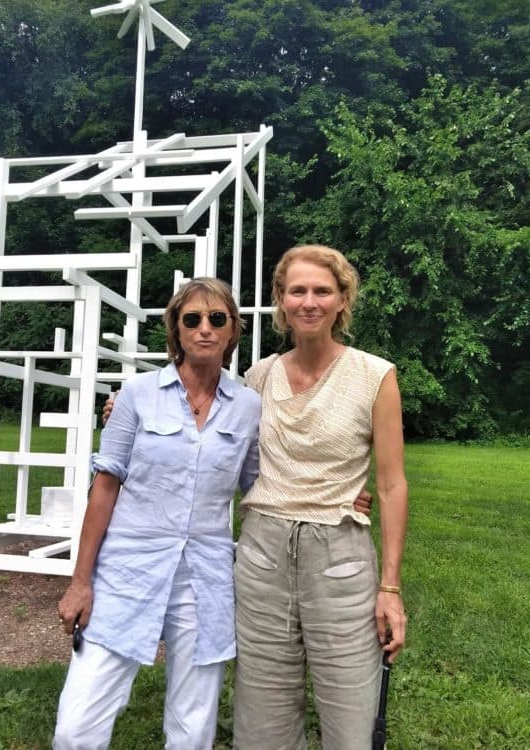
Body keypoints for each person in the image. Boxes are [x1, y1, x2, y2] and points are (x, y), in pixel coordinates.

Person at [53, 277, 262, 750]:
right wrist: (80, 581)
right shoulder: (136, 395)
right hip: (127, 569)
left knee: (193, 730)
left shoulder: (249, 407)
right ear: (176, 330)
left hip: (205, 578)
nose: (204, 329)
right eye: (192, 319)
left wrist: (334, 497)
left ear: (233, 331)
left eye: (217, 319)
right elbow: (104, 487)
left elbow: (260, 487)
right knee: (76, 727)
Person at [232, 244, 408, 750]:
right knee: (262, 721)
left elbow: (392, 483)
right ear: (280, 301)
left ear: (341, 301)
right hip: (262, 555)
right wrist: (122, 408)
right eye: (297, 291)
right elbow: (209, 435)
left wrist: (390, 588)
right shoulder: (258, 378)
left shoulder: (375, 376)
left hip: (341, 558)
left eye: (322, 291)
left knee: (351, 719)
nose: (309, 301)